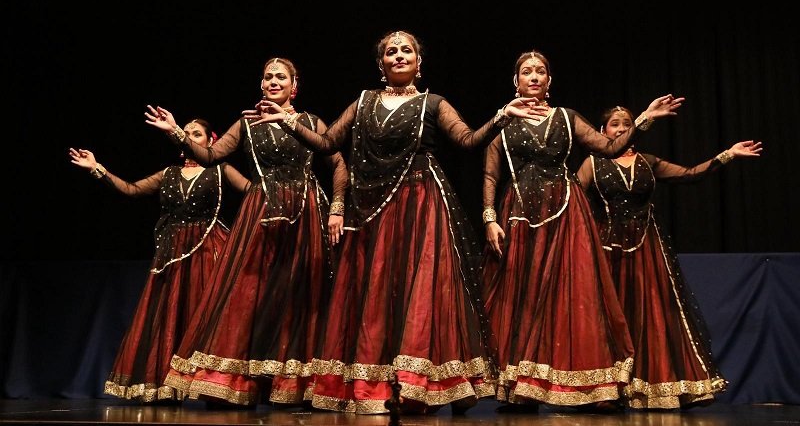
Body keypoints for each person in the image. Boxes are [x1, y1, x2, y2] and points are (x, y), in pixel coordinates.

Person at [253, 30, 544, 415]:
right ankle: (373, 386)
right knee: (374, 293)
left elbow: (468, 140)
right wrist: (289, 122)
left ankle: (416, 387)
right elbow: (327, 144)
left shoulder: (433, 103)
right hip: (371, 209)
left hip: (422, 204)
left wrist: (502, 116)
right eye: (392, 51)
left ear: (419, 64)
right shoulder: (363, 101)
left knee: (419, 292)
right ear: (381, 64)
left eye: (407, 50)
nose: (400, 55)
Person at [481, 49, 685, 412]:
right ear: (516, 81)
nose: (533, 77)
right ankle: (521, 388)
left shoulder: (566, 117)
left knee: (572, 295)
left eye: (540, 71)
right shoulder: (505, 124)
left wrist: (644, 120)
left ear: (549, 80)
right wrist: (489, 217)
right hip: (520, 217)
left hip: (566, 215)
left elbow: (610, 147)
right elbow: (491, 173)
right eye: (526, 72)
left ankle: (591, 386)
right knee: (523, 297)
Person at [145, 57, 348, 407]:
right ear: (261, 84)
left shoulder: (310, 121)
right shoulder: (247, 123)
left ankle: (296, 384)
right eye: (267, 76)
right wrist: (176, 132)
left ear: (293, 86)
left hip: (304, 210)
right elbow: (211, 155)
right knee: (247, 292)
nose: (273, 81)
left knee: (300, 295)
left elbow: (338, 162)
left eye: (280, 77)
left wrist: (337, 208)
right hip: (262, 209)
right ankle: (237, 381)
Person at [575, 105, 762, 409]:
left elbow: (689, 174)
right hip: (607, 250)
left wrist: (726, 154)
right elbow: (574, 202)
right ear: (602, 132)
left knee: (651, 314)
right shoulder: (592, 164)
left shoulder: (647, 163)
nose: (621, 128)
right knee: (610, 318)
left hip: (647, 250)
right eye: (614, 125)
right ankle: (605, 389)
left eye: (626, 123)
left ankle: (653, 387)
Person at [68, 119, 251, 402]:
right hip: (172, 254)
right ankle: (165, 386)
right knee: (169, 316)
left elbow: (253, 192)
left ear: (210, 142)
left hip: (208, 251)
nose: (190, 137)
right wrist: (97, 168)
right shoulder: (168, 173)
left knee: (207, 316)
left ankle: (214, 387)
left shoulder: (220, 170)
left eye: (197, 133)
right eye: (187, 133)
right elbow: (131, 189)